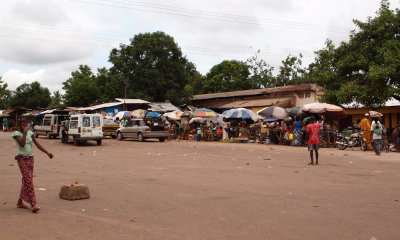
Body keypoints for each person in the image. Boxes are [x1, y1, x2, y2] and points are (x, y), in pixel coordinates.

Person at [12, 118, 54, 213]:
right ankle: (33, 204)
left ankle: (19, 202)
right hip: (22, 159)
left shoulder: (30, 133)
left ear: (27, 123)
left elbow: (38, 145)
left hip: (31, 159)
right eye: (21, 123)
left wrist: (47, 153)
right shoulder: (16, 134)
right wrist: (25, 133)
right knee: (28, 180)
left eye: (24, 122)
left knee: (26, 180)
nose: (23, 124)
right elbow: (22, 144)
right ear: (18, 124)